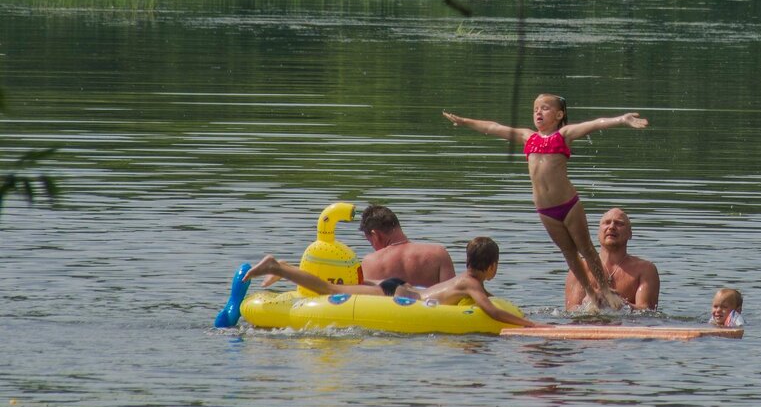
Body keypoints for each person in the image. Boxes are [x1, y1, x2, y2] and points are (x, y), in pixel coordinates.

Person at [443, 94, 648, 310]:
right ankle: (591, 292)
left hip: (568, 204)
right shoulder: (527, 137)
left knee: (586, 248)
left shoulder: (563, 135)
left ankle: (606, 290)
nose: (538, 112)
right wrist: (465, 122)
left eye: (545, 108)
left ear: (559, 115)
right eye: (535, 109)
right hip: (546, 210)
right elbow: (493, 127)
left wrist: (622, 119)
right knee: (569, 253)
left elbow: (595, 124)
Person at [244, 236, 544, 328]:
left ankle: (284, 267)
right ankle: (278, 267)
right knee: (331, 289)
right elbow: (491, 312)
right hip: (397, 298)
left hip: (396, 286)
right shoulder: (472, 286)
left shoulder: (464, 280)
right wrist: (533, 325)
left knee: (332, 288)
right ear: (492, 266)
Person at [563, 208, 660, 310]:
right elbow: (571, 311)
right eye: (607, 223)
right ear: (598, 233)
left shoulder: (645, 270)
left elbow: (647, 312)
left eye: (619, 224)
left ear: (630, 234)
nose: (612, 227)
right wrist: (588, 303)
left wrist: (621, 303)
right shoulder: (580, 269)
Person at [357, 204, 455, 287]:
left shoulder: (370, 262)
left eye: (370, 242)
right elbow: (453, 296)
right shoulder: (438, 254)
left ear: (375, 235)